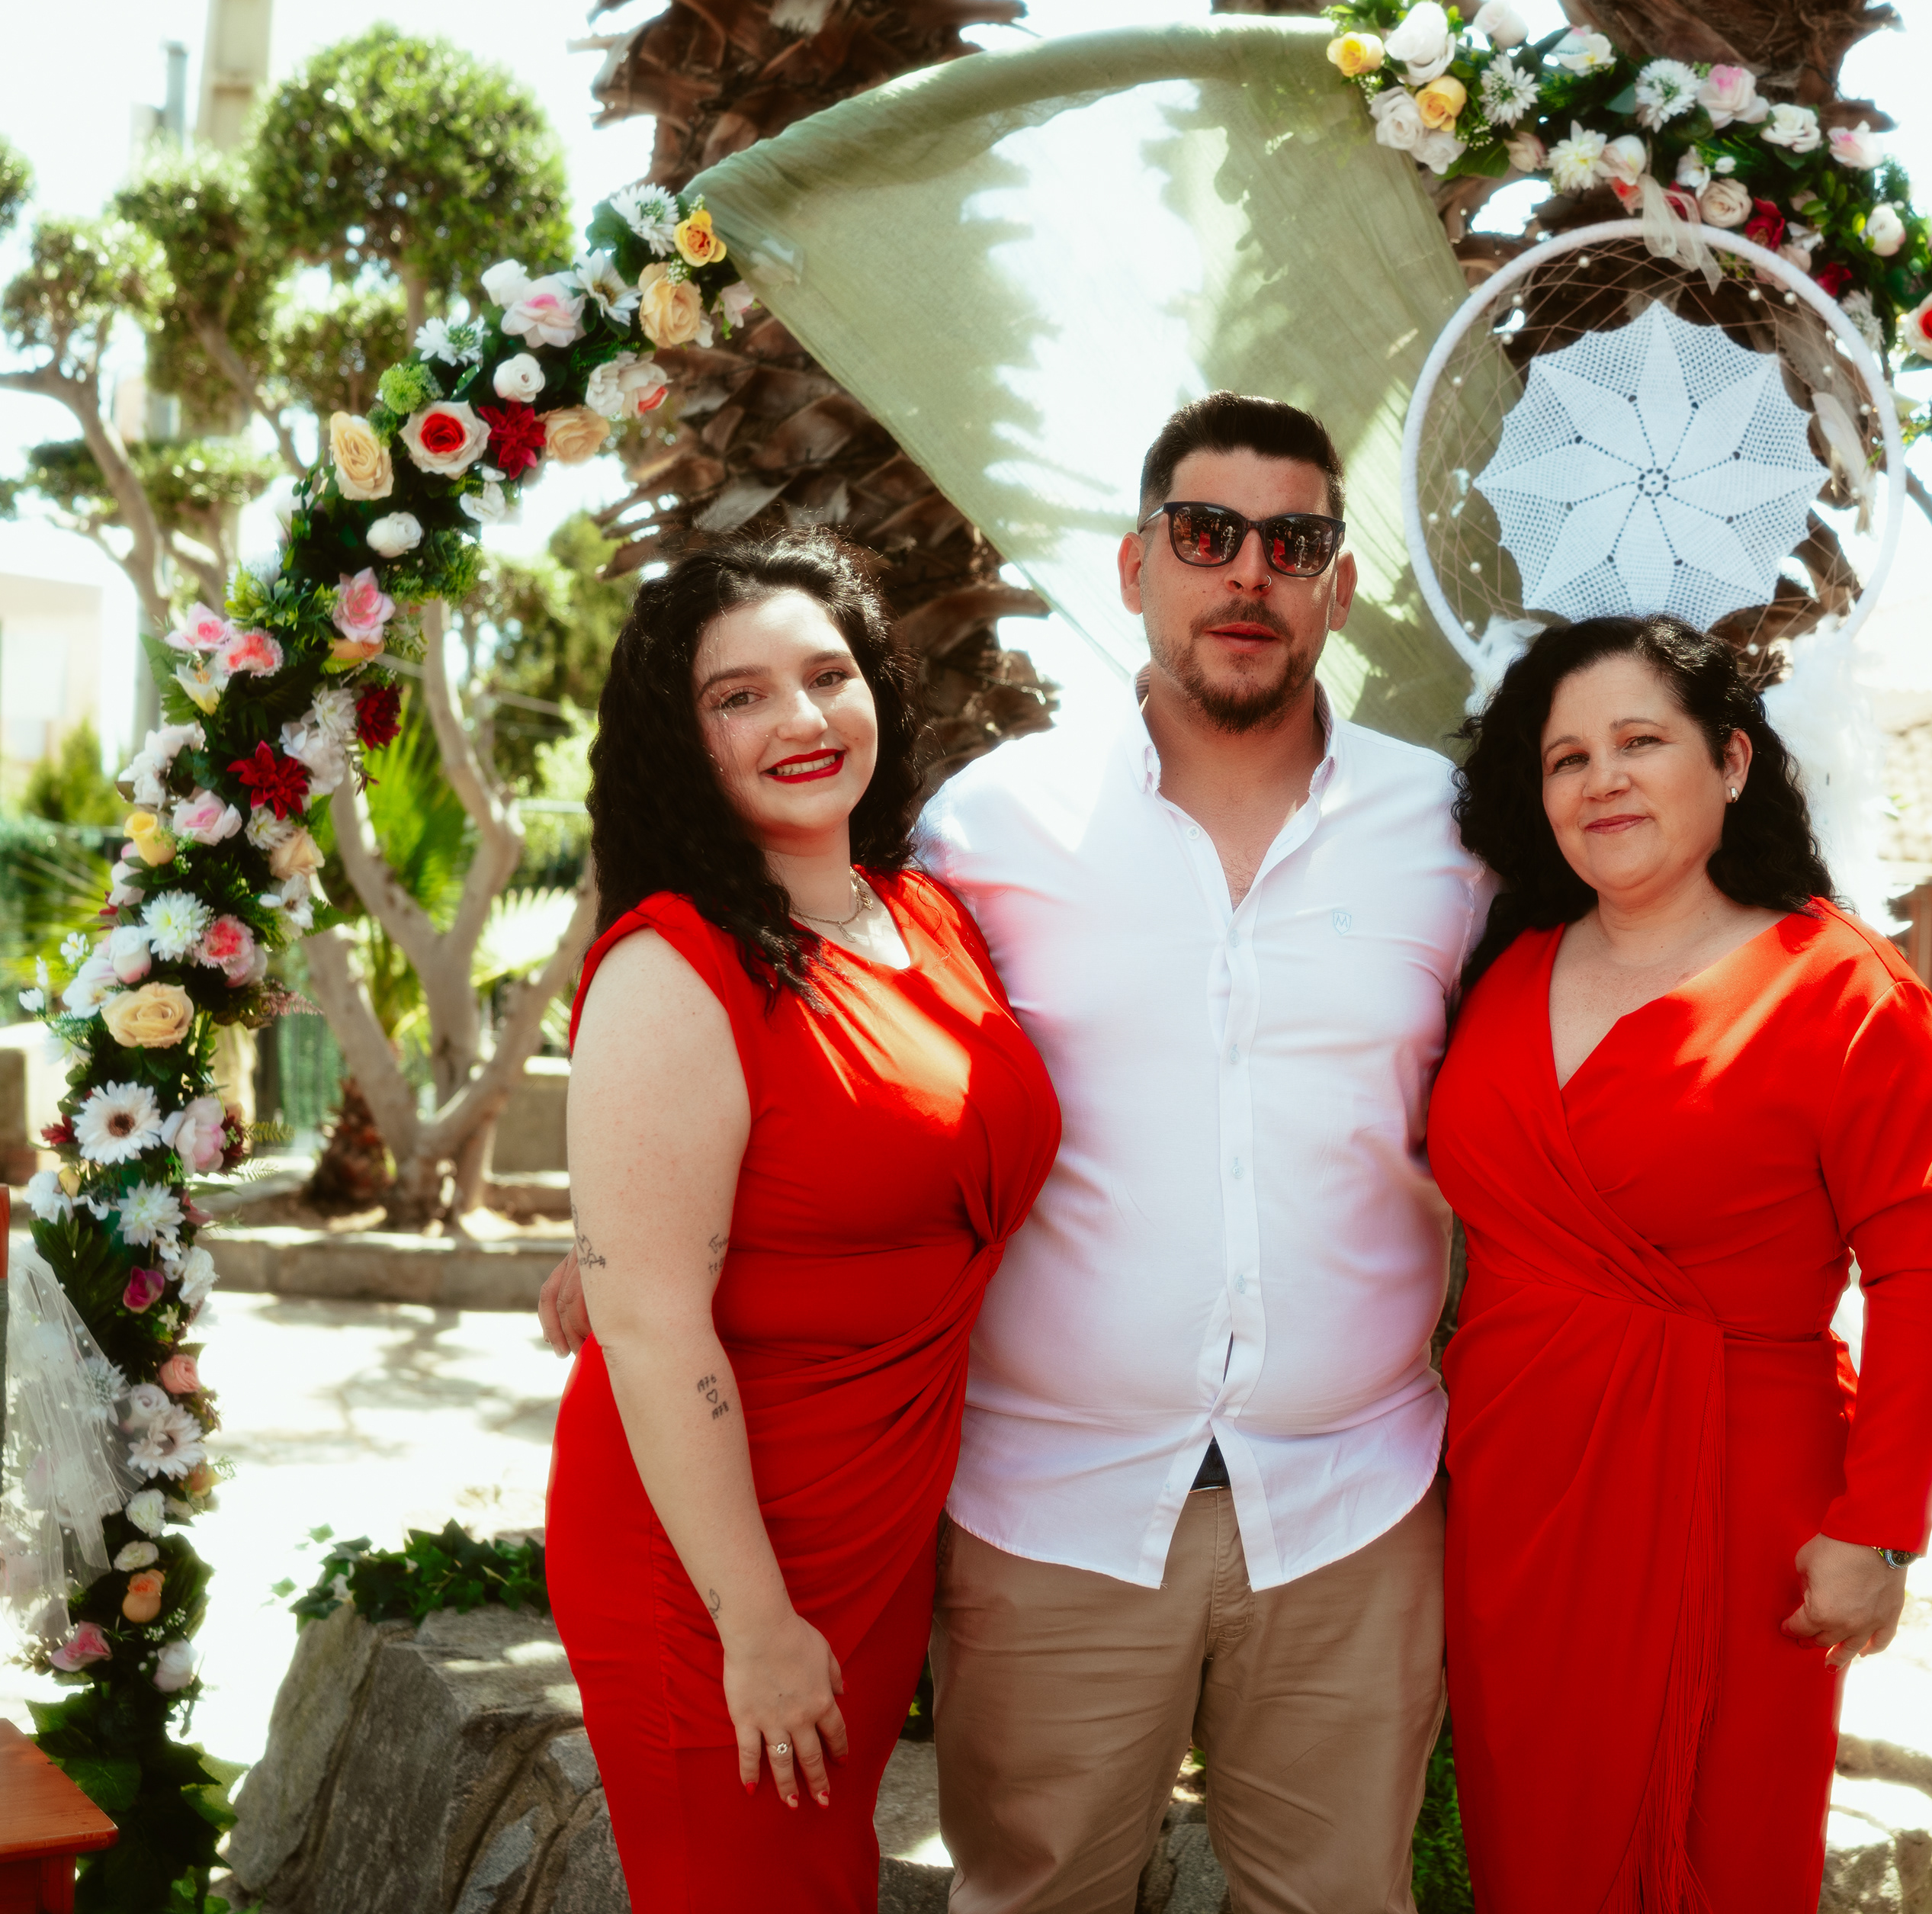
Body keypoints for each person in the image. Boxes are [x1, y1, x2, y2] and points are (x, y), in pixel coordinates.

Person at [544, 393, 1483, 1912]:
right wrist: (624, 1238)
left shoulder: (1451, 832)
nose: (1249, 571)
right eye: (1205, 534)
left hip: (1351, 1503)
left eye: (1294, 541)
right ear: (1134, 566)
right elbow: (768, 1044)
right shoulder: (990, 827)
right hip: (1054, 1507)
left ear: (1341, 583)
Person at [1424, 615, 1932, 1912]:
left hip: (1737, 1503)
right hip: (1513, 1506)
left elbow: (1924, 1271)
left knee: (1721, 1850)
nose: (1601, 780)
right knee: (1533, 1851)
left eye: (1639, 742)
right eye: (1567, 759)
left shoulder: (1841, 989)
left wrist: (1880, 1530)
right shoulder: (1505, 971)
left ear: (1730, 761)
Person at [541, 531, 1060, 1913]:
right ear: (683, 738)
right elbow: (654, 1328)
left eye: (828, 675)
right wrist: (756, 1622)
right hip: (721, 1559)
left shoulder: (926, 914)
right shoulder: (674, 965)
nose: (802, 718)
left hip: (879, 1519)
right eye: (741, 695)